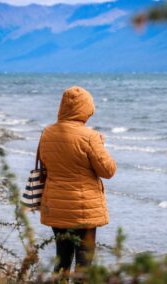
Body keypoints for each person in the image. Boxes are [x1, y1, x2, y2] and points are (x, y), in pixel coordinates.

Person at [39, 86, 117, 275]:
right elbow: (108, 170)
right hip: (84, 209)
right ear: (86, 109)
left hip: (56, 206)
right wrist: (100, 144)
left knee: (62, 258)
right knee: (84, 262)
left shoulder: (47, 133)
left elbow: (47, 163)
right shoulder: (90, 137)